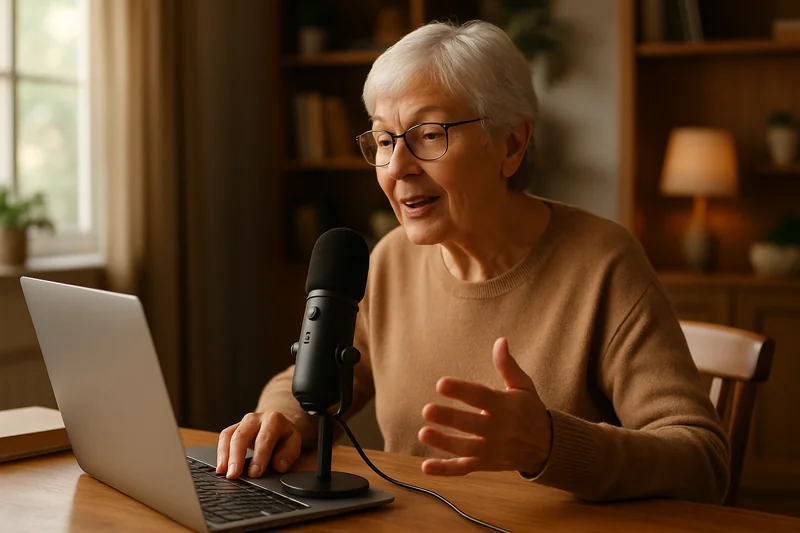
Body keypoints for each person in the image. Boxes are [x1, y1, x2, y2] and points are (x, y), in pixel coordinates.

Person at [216, 20, 730, 504]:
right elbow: (313, 372)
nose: (397, 167)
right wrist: (278, 418)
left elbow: (702, 462)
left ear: (511, 143)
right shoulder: (391, 259)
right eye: (384, 139)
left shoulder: (602, 262)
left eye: (430, 135)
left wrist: (551, 444)